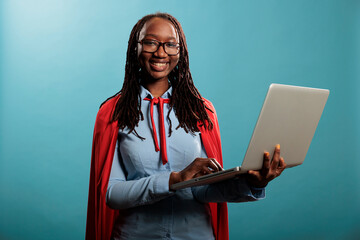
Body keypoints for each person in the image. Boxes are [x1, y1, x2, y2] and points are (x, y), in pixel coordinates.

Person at [86, 12, 286, 240]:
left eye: (171, 45)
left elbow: (203, 190)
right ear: (135, 47)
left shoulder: (201, 110)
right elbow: (112, 194)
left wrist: (253, 183)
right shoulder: (114, 112)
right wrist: (173, 181)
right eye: (151, 42)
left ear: (181, 52)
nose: (161, 52)